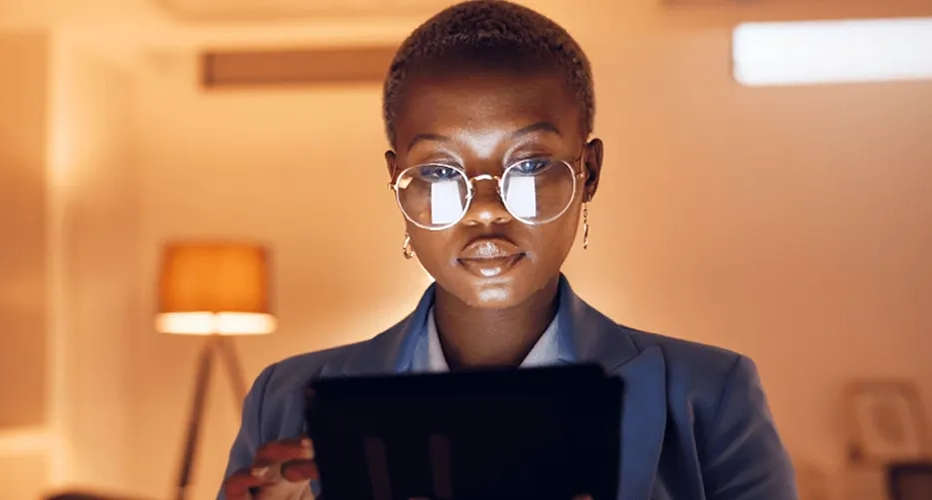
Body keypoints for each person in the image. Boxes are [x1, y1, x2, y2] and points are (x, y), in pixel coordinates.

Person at [219, 1, 797, 499]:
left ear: (588, 171)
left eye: (530, 165)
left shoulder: (710, 395)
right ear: (398, 182)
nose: (486, 209)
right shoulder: (285, 397)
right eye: (441, 172)